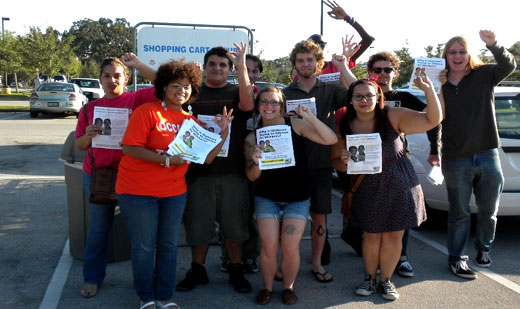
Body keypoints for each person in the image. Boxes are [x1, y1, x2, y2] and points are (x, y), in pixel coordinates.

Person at [116, 56, 232, 309]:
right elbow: (129, 148)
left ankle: (165, 296)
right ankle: (146, 297)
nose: (181, 91)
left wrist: (223, 134)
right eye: (175, 86)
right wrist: (167, 161)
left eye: (186, 87)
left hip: (173, 193)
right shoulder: (147, 112)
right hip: (137, 191)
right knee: (145, 246)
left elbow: (207, 158)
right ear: (165, 88)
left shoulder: (191, 122)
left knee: (168, 245)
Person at [331, 77, 442, 301]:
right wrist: (343, 160)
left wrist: (429, 92)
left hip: (400, 184)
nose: (364, 100)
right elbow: (336, 162)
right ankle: (370, 278)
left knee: (393, 237)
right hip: (368, 187)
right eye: (358, 96)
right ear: (350, 100)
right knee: (371, 236)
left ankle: (386, 280)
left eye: (369, 96)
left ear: (378, 97)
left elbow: (433, 119)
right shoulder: (345, 124)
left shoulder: (392, 116)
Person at [175, 43, 255, 294]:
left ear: (230, 69)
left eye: (223, 65)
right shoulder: (193, 93)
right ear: (205, 66)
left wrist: (242, 66)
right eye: (212, 64)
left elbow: (247, 104)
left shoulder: (236, 91)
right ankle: (197, 269)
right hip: (199, 173)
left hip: (232, 172)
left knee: (234, 226)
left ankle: (235, 270)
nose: (217, 68)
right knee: (198, 226)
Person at [246, 87, 337, 305]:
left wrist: (310, 118)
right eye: (264, 102)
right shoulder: (253, 136)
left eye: (274, 102)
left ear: (282, 106)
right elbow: (251, 176)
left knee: (290, 247)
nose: (269, 107)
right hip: (267, 197)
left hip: (297, 198)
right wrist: (256, 162)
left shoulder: (295, 125)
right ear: (258, 106)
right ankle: (267, 288)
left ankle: (288, 287)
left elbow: (330, 138)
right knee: (268, 247)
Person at [75, 56, 157, 299]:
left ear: (127, 79)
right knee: (99, 230)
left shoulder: (136, 100)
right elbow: (80, 145)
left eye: (117, 75)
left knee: (140, 234)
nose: (112, 80)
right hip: (98, 176)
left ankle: (143, 284)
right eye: (107, 76)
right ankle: (92, 278)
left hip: (131, 177)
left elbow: (162, 85)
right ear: (100, 79)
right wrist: (89, 135)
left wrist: (140, 65)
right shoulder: (89, 109)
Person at [440, 30, 516, 279]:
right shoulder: (438, 81)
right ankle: (456, 258)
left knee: (488, 210)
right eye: (453, 52)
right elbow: (432, 119)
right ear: (446, 56)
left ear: (469, 54)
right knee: (459, 212)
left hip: (487, 154)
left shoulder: (483, 75)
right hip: (456, 157)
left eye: (462, 51)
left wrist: (493, 44)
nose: (458, 56)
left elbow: (509, 64)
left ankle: (483, 248)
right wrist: (433, 149)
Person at [283, 39, 357, 283]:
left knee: (319, 218)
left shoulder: (330, 90)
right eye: (301, 60)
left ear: (318, 63)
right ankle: (285, 263)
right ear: (294, 64)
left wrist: (343, 65)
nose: (305, 64)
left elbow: (358, 91)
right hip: (290, 167)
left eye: (310, 60)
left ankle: (316, 264)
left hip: (321, 165)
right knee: (287, 220)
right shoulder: (284, 93)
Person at [221, 53, 263, 274]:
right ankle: (227, 256)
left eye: (255, 70)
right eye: (245, 68)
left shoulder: (264, 95)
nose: (249, 73)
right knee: (231, 212)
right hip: (232, 160)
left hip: (257, 160)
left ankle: (250, 256)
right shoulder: (229, 93)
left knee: (253, 213)